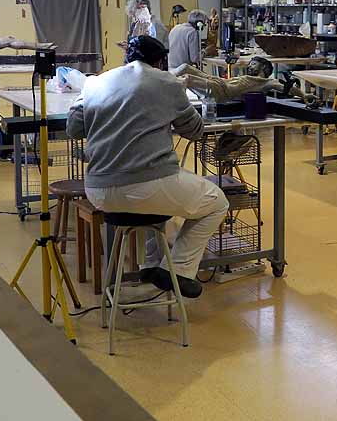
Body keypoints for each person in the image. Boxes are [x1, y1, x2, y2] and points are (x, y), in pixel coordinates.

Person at [66, 35, 228, 298]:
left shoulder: (96, 82)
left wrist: (84, 100)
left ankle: (150, 266)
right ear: (160, 60)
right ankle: (177, 270)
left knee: (160, 198)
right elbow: (196, 131)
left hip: (99, 190)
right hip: (147, 187)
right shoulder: (168, 83)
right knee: (216, 202)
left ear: (126, 57)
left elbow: (74, 130)